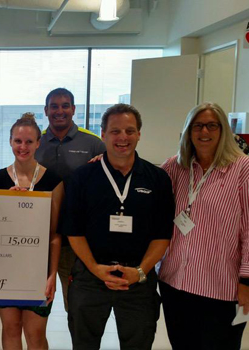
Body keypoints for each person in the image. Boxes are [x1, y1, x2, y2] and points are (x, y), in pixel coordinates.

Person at [63, 103, 174, 349]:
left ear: (139, 134)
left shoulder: (157, 179)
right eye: (115, 131)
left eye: (129, 131)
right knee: (84, 343)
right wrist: (95, 268)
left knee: (138, 343)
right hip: (90, 278)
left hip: (138, 279)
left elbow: (162, 235)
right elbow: (74, 231)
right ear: (102, 134)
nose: (123, 137)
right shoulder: (82, 178)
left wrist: (141, 272)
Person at [159, 102, 249, 350]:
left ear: (223, 131)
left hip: (221, 287)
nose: (204, 132)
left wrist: (247, 281)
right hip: (174, 283)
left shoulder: (243, 169)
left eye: (212, 126)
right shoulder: (175, 166)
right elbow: (141, 176)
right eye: (197, 126)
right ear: (188, 131)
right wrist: (107, 159)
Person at [0, 113, 63, 349]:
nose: (23, 147)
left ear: (38, 143)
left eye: (29, 142)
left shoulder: (53, 181)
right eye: (18, 141)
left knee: (35, 333)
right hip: (5, 267)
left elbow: (54, 235)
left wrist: (52, 275)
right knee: (10, 329)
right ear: (10, 142)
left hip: (37, 269)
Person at [35, 88, 106, 311]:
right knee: (36, 307)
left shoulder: (93, 144)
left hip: (76, 240)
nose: (60, 111)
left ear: (73, 109)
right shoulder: (35, 144)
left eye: (65, 105)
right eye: (54, 106)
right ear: (46, 110)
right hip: (38, 237)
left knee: (76, 308)